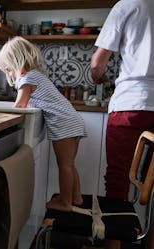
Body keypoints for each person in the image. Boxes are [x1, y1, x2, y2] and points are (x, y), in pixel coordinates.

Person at [0, 36, 87, 212]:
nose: (9, 74)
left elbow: (20, 106)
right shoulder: (36, 75)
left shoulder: (27, 78)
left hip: (64, 124)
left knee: (65, 166)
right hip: (72, 122)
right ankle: (76, 198)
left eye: (8, 69)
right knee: (69, 164)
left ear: (15, 63)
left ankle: (65, 203)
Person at [91, 0, 154, 248]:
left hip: (132, 104)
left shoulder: (128, 4)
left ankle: (113, 245)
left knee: (118, 179)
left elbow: (98, 63)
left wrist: (98, 76)